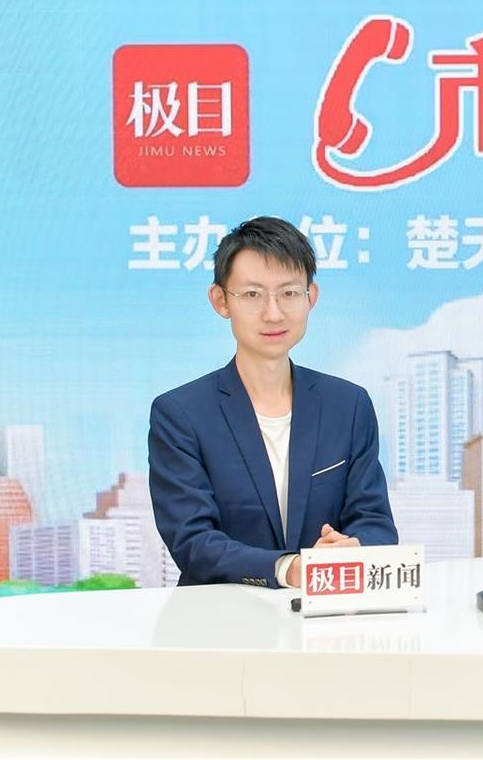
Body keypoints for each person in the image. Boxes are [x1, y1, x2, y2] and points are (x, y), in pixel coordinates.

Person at [148, 216, 397, 588]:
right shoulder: (181, 414)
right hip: (219, 616)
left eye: (289, 293)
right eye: (252, 295)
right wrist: (288, 567)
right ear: (220, 301)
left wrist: (351, 548)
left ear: (311, 297)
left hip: (330, 612)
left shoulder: (348, 405)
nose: (274, 313)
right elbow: (193, 541)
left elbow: (375, 522)